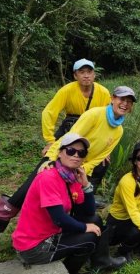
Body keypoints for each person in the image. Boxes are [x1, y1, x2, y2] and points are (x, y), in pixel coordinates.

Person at [0, 86, 137, 252]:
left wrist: (80, 170)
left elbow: (100, 157)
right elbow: (70, 137)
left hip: (78, 166)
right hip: (60, 157)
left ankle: (68, 237)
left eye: (129, 102)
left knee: (73, 201)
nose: (125, 104)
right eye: (122, 99)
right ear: (112, 99)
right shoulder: (95, 114)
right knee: (23, 193)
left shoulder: (118, 130)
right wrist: (52, 160)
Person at [11, 133, 125, 273]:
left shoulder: (71, 177)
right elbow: (59, 219)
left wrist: (86, 185)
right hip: (34, 246)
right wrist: (84, 228)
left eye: (81, 152)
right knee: (90, 237)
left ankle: (100, 261)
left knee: (94, 219)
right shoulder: (48, 177)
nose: (76, 155)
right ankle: (69, 270)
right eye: (71, 150)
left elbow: (88, 212)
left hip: (52, 232)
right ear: (60, 153)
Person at [41, 58, 112, 197]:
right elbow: (49, 112)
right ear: (75, 75)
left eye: (89, 72)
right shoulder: (67, 90)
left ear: (94, 75)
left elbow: (108, 120)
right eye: (82, 72)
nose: (86, 75)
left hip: (93, 130)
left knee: (102, 163)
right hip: (71, 127)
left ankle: (87, 193)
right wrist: (50, 141)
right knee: (51, 157)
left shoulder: (103, 92)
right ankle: (53, 190)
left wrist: (106, 149)